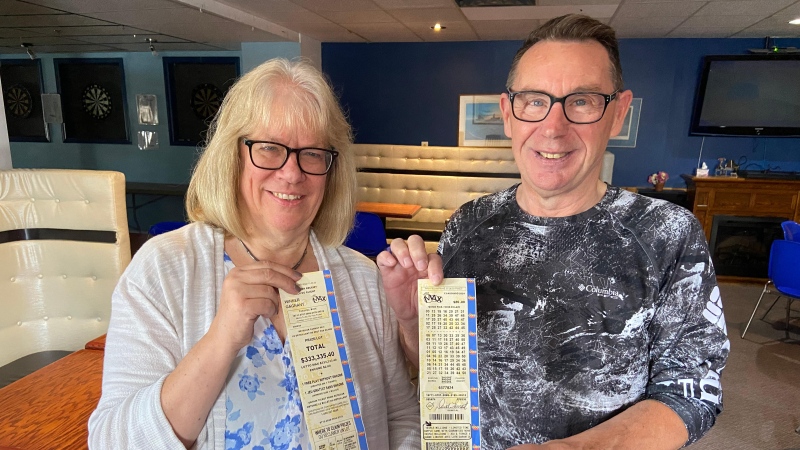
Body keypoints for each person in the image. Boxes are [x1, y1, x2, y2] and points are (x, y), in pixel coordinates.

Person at [378, 14, 729, 450]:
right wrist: (412, 319)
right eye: (533, 100)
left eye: (581, 101)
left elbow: (692, 392)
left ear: (617, 113)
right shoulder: (467, 225)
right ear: (508, 114)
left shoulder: (667, 234)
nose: (553, 127)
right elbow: (443, 375)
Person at [89, 58, 419, 449]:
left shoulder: (363, 281)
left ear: (332, 168)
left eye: (312, 153)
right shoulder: (163, 269)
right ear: (234, 154)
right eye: (268, 148)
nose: (292, 173)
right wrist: (220, 340)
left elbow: (401, 418)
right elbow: (112, 441)